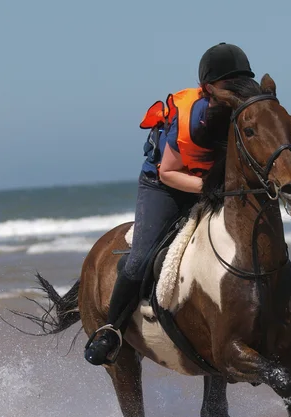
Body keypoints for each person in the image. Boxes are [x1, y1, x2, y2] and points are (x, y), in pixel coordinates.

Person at [84, 43, 256, 366]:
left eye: (241, 83)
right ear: (208, 89)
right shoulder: (191, 117)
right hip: (165, 185)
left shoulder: (245, 114)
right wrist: (207, 189)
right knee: (141, 257)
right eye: (229, 86)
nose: (237, 91)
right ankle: (111, 330)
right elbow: (169, 171)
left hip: (212, 186)